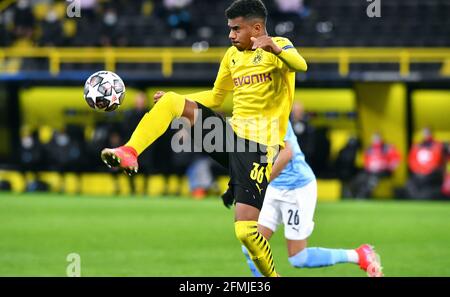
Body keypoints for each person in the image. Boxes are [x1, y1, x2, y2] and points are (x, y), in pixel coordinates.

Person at [100, 0, 308, 277]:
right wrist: (179, 101)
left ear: (257, 27)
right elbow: (216, 97)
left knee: (245, 232)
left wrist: (276, 48)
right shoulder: (232, 57)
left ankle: (272, 278)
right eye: (230, 29)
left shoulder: (280, 46)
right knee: (172, 101)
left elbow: (301, 65)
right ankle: (130, 151)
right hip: (229, 137)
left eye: (236, 29)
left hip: (259, 149)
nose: (231, 35)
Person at [239, 122, 383, 277]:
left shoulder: (274, 112)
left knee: (298, 258)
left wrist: (260, 182)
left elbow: (287, 153)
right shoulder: (247, 115)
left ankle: (359, 255)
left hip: (296, 188)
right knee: (251, 245)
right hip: (273, 187)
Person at [349, 133, 401, 199]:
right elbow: (365, 161)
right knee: (359, 178)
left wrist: (389, 167)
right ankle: (355, 194)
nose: (376, 140)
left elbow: (396, 159)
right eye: (374, 138)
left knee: (372, 179)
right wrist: (369, 167)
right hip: (371, 171)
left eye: (377, 138)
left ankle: (363, 195)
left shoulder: (386, 148)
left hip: (383, 171)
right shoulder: (370, 149)